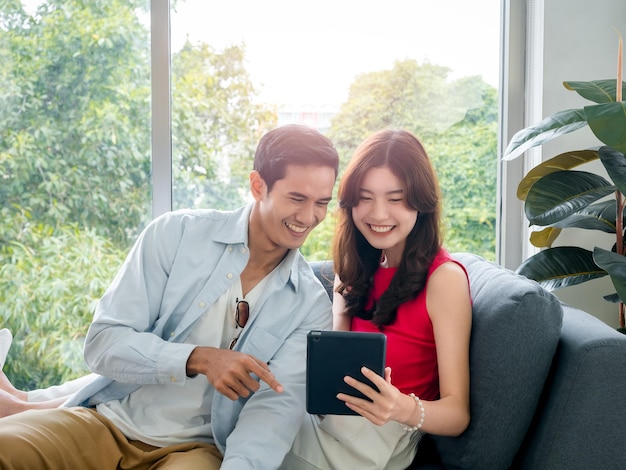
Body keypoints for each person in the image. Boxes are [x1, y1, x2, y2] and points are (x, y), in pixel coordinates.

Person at [0, 124, 339, 470]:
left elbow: (274, 412)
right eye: (297, 199)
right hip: (108, 421)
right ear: (258, 186)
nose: (309, 217)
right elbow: (103, 344)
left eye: (322, 203)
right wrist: (199, 359)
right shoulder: (175, 234)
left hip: (197, 450)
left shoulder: (310, 304)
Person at [279, 128, 472, 469]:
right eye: (365, 198)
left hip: (383, 433)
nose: (378, 214)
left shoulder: (445, 279)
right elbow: (332, 362)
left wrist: (401, 407)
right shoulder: (354, 266)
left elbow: (458, 414)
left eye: (395, 199)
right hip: (330, 418)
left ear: (421, 203)